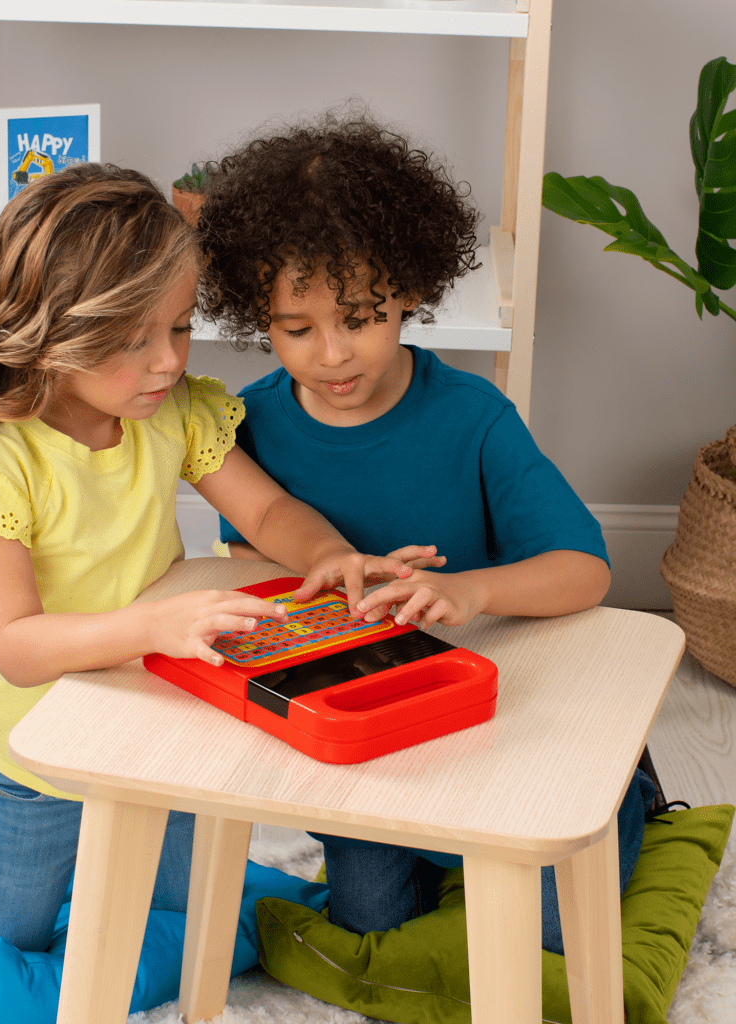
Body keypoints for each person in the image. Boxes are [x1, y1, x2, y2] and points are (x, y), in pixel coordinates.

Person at [0, 163, 423, 986]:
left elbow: (263, 513)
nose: (165, 363)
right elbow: (15, 644)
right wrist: (153, 629)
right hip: (30, 753)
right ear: (54, 332)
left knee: (191, 931)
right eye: (130, 342)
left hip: (154, 724)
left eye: (179, 328)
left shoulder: (171, 410)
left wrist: (329, 554)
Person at [196, 111, 656, 954]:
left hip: (508, 704)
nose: (333, 354)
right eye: (297, 329)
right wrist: (336, 578)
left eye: (362, 317)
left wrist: (469, 590)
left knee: (549, 931)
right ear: (256, 314)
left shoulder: (472, 417)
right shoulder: (249, 426)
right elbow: (250, 556)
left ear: (410, 288)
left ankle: (628, 787)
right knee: (370, 917)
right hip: (378, 720)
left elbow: (584, 569)